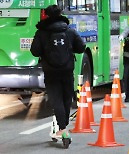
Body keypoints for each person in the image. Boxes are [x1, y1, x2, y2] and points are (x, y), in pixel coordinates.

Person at [30, 5, 85, 140]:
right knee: (67, 98)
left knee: (56, 99)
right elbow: (81, 47)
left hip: (50, 71)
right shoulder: (70, 31)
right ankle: (63, 125)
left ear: (46, 16)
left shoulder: (41, 33)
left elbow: (34, 51)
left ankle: (62, 128)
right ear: (60, 14)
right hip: (67, 70)